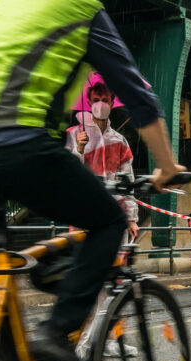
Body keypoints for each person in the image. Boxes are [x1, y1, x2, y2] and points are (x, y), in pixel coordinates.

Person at [0, 0, 184, 361]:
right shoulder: (81, 8)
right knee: (108, 222)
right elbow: (136, 92)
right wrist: (167, 166)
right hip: (16, 145)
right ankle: (56, 333)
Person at [65, 79, 139, 242]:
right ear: (89, 103)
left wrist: (131, 218)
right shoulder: (72, 135)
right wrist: (79, 150)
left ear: (112, 104)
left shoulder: (119, 141)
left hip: (114, 212)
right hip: (82, 212)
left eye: (105, 100)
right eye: (96, 100)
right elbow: (65, 174)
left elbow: (127, 182)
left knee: (114, 263)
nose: (100, 105)